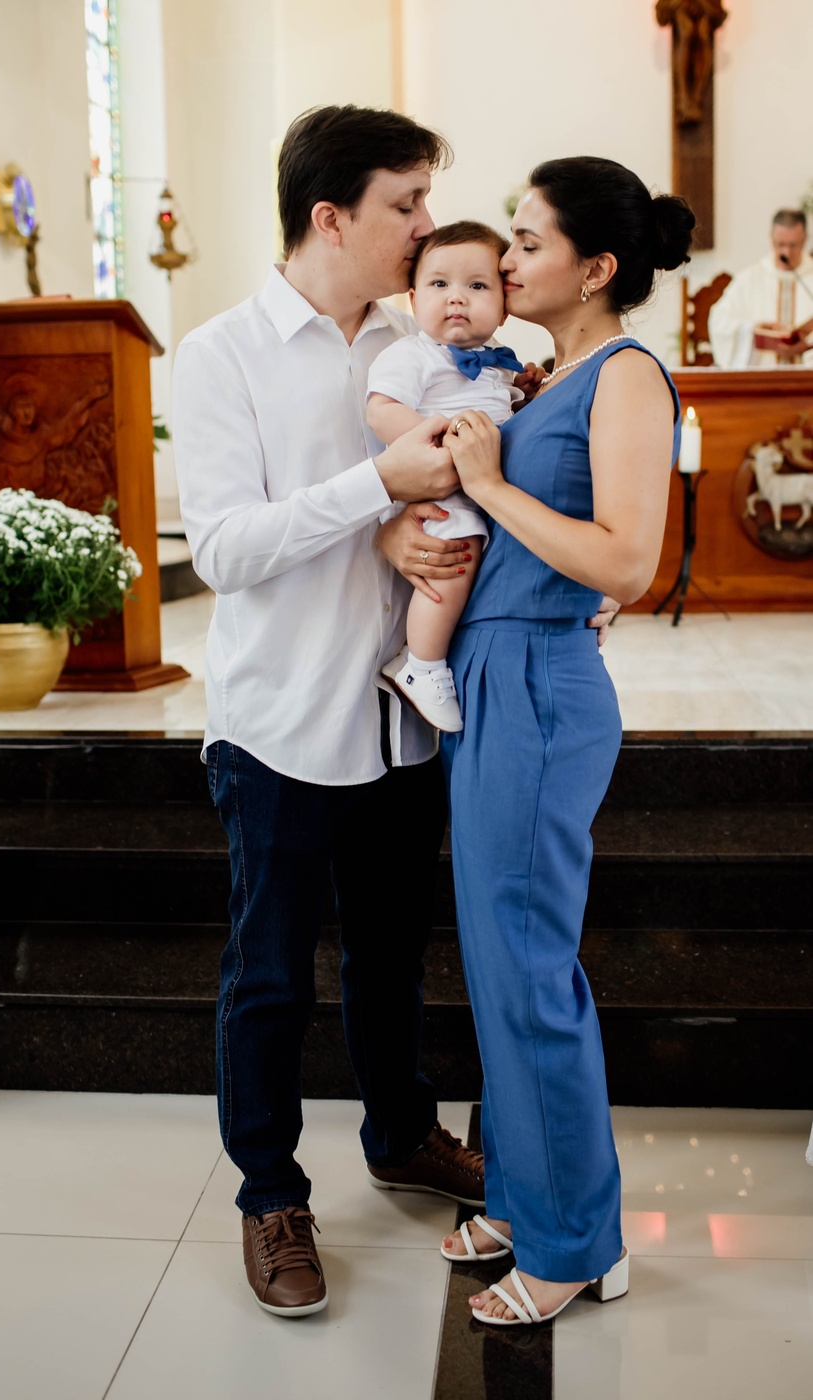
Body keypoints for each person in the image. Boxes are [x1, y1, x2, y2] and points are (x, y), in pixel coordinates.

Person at [172, 104, 491, 1320]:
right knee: (269, 975)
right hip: (279, 719)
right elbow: (224, 548)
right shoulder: (221, 354)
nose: (425, 226)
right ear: (332, 216)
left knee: (391, 959)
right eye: (406, 204)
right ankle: (270, 1193)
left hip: (396, 710)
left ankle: (401, 1133)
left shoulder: (419, 344)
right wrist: (377, 488)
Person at [426, 156, 694, 1326]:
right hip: (493, 672)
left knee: (530, 966)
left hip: (538, 681)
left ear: (596, 269)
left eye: (530, 241)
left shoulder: (627, 374)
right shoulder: (549, 377)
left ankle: (579, 1240)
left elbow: (628, 560)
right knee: (499, 961)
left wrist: (489, 484)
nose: (506, 258)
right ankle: (530, 1199)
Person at [367, 220, 525, 732]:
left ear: (504, 305)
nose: (457, 297)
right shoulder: (412, 354)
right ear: (413, 299)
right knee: (458, 554)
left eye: (477, 285)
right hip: (439, 490)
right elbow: (381, 410)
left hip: (481, 488)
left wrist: (528, 390)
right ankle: (422, 663)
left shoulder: (497, 364)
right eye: (439, 284)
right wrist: (438, 444)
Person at [708, 210, 813, 367]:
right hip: (762, 376)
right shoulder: (749, 279)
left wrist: (807, 345)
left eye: (793, 245)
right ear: (771, 239)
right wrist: (752, 331)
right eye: (780, 244)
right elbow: (718, 321)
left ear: (804, 240)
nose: (786, 252)